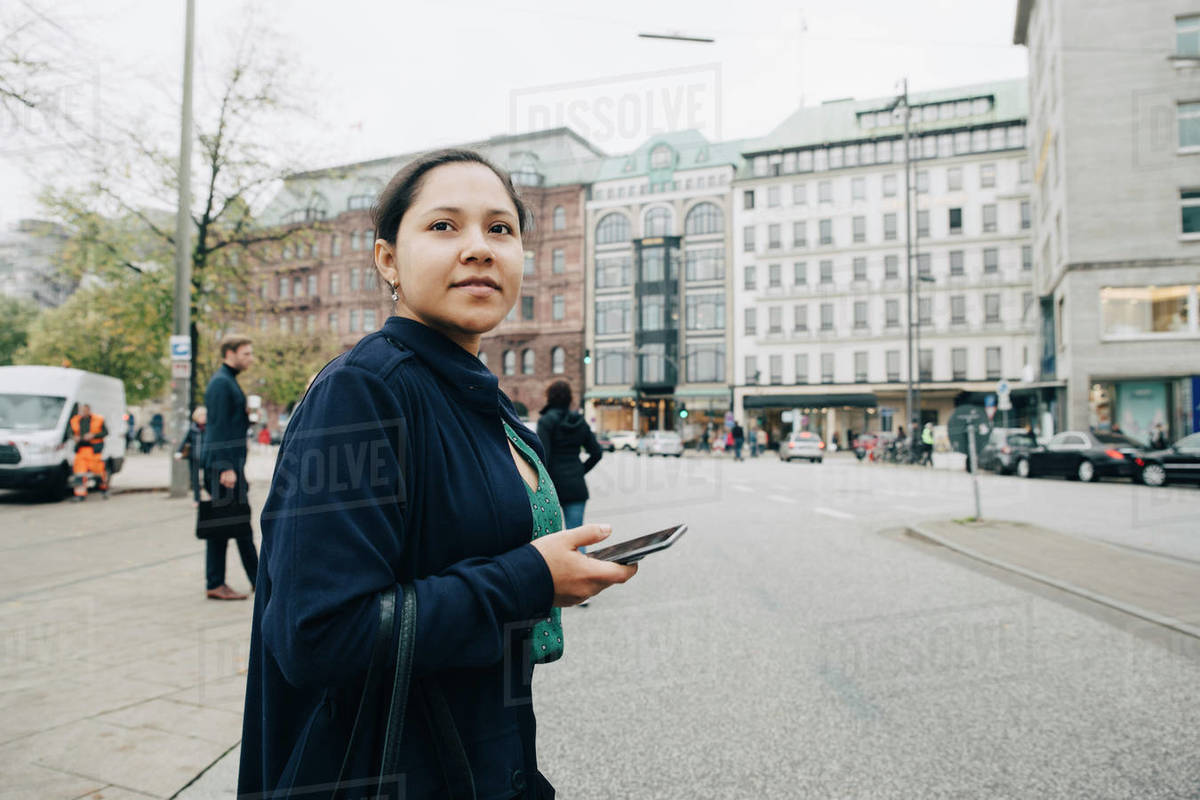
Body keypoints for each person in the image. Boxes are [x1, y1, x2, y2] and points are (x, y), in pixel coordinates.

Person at [239, 149, 638, 800]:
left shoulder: (477, 398)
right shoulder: (363, 393)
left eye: (500, 229)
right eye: (444, 226)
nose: (479, 248)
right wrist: (533, 577)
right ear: (387, 260)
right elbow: (319, 636)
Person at [201, 335, 258, 601]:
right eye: (246, 353)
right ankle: (220, 582)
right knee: (230, 525)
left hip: (228, 465)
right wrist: (226, 468)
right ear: (230, 353)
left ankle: (254, 580)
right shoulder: (222, 384)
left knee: (230, 524)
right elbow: (219, 428)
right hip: (224, 467)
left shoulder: (226, 381)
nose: (250, 358)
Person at [537, 380, 603, 556]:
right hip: (576, 486)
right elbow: (597, 452)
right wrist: (580, 470)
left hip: (551, 488)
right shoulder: (580, 422)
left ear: (549, 397)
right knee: (577, 538)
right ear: (569, 399)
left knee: (551, 540)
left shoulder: (545, 422)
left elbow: (542, 456)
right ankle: (584, 577)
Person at [69, 403, 108, 501]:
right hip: (81, 450)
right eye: (82, 410)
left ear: (89, 410)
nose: (83, 412)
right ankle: (80, 495)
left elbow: (105, 432)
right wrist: (74, 437)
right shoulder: (75, 420)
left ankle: (103, 489)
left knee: (98, 472)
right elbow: (69, 432)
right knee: (79, 472)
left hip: (94, 450)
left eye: (85, 410)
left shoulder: (98, 419)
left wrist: (93, 435)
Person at [174, 406, 207, 505]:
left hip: (207, 457)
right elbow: (185, 441)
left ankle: (209, 496)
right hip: (195, 457)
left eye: (205, 415)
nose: (203, 418)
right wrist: (179, 452)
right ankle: (197, 499)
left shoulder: (210, 428)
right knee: (195, 479)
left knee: (208, 478)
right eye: (201, 416)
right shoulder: (192, 429)